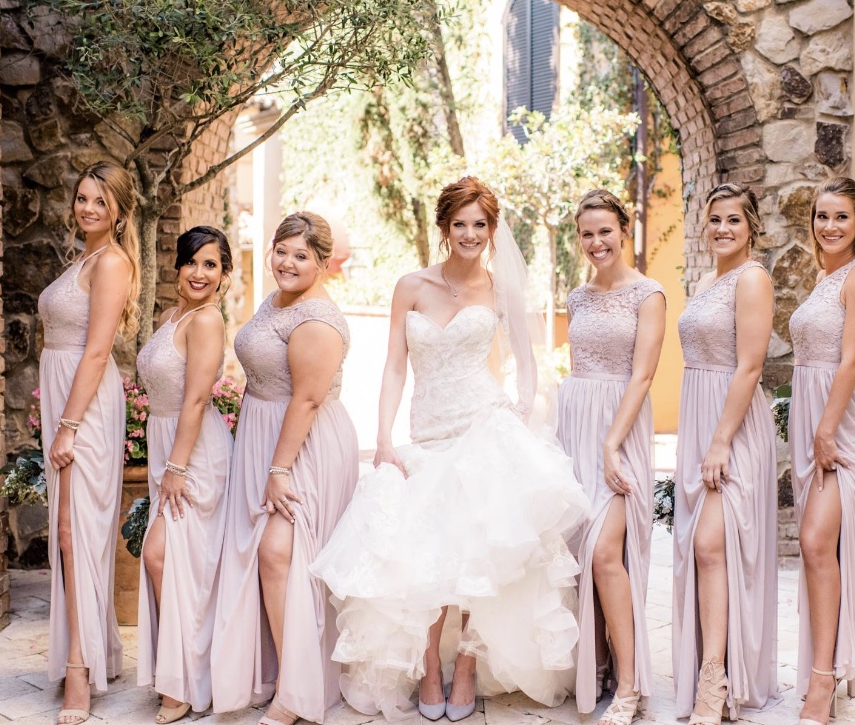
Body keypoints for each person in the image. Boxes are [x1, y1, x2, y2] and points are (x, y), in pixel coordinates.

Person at [311, 176, 590, 722]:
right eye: (459, 223)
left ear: (491, 230)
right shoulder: (411, 285)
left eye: (479, 224)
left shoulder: (499, 288)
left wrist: (520, 410)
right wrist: (385, 437)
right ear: (444, 228)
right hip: (426, 431)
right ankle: (430, 667)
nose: (470, 233)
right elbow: (394, 365)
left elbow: (529, 364)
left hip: (483, 425)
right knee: (426, 550)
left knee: (475, 550)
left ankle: (464, 663)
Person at [211, 213, 359, 725]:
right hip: (261, 434)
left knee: (279, 554)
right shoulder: (276, 301)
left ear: (321, 263)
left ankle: (297, 693)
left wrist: (279, 469)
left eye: (301, 256)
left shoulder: (315, 319)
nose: (288, 263)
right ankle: (276, 670)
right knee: (263, 557)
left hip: (302, 445)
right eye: (281, 251)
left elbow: (308, 399)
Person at [555, 189, 665, 723]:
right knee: (582, 555)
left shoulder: (649, 294)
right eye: (586, 233)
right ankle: (597, 663)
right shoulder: (577, 297)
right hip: (576, 423)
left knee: (605, 554)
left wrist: (611, 443)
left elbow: (643, 375)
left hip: (619, 431)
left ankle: (629, 684)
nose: (596, 242)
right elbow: (578, 367)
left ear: (624, 229)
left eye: (605, 230)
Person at [790, 177, 855, 725]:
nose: (829, 227)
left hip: (840, 425)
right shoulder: (824, 278)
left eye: (841, 218)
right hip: (812, 421)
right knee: (818, 547)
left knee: (814, 542)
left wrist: (827, 429)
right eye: (822, 217)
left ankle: (821, 681)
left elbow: (851, 360)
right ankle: (822, 668)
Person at [37, 161, 140, 725]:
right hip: (65, 400)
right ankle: (96, 651)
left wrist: (69, 425)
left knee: (77, 535)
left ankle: (80, 669)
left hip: (86, 407)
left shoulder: (112, 263)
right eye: (81, 198)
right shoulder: (84, 259)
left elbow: (98, 352)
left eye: (100, 201)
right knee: (68, 532)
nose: (88, 209)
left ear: (119, 210)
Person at [672, 184, 779, 723]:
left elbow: (751, 366)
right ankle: (711, 663)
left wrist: (719, 442)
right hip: (698, 415)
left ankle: (714, 680)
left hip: (731, 424)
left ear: (751, 227)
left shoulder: (752, 279)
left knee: (713, 542)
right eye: (714, 220)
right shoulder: (707, 279)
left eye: (733, 220)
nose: (721, 229)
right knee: (701, 546)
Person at [135, 226, 235, 723]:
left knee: (163, 556)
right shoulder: (173, 315)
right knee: (181, 562)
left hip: (194, 453)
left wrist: (175, 467)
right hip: (166, 445)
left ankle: (186, 680)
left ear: (224, 275)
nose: (199, 273)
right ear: (177, 266)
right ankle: (183, 673)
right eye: (192, 262)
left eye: (211, 264)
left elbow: (197, 398)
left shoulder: (207, 322)